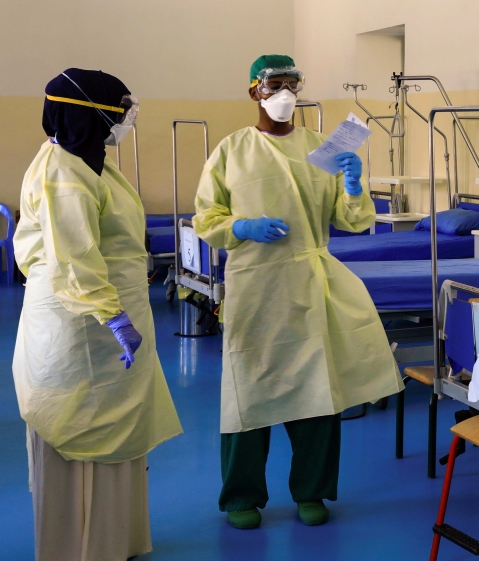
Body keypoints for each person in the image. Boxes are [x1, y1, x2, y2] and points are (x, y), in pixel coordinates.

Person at [193, 54, 403, 530]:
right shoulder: (231, 150)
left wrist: (353, 185)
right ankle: (241, 496)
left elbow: (353, 220)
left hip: (309, 283)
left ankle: (312, 493)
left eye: (292, 84)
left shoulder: (322, 150)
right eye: (275, 84)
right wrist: (241, 226)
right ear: (254, 92)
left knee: (317, 392)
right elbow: (206, 219)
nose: (285, 93)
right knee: (248, 391)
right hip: (255, 288)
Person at [12, 68, 183, 561]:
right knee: (77, 428)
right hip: (78, 321)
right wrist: (113, 316)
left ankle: (113, 540)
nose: (123, 122)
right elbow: (75, 258)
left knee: (114, 429)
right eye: (117, 112)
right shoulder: (63, 171)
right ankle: (75, 547)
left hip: (103, 312)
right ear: (88, 114)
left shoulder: (90, 162)